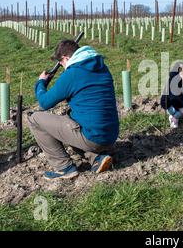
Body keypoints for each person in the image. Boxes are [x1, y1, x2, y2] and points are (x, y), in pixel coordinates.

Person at [28, 40, 119, 180]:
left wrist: (40, 83)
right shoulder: (102, 67)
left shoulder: (72, 74)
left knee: (34, 119)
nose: (64, 67)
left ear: (66, 58)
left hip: (93, 138)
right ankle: (96, 158)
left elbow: (45, 103)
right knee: (69, 119)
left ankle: (64, 167)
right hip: (111, 135)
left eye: (62, 63)